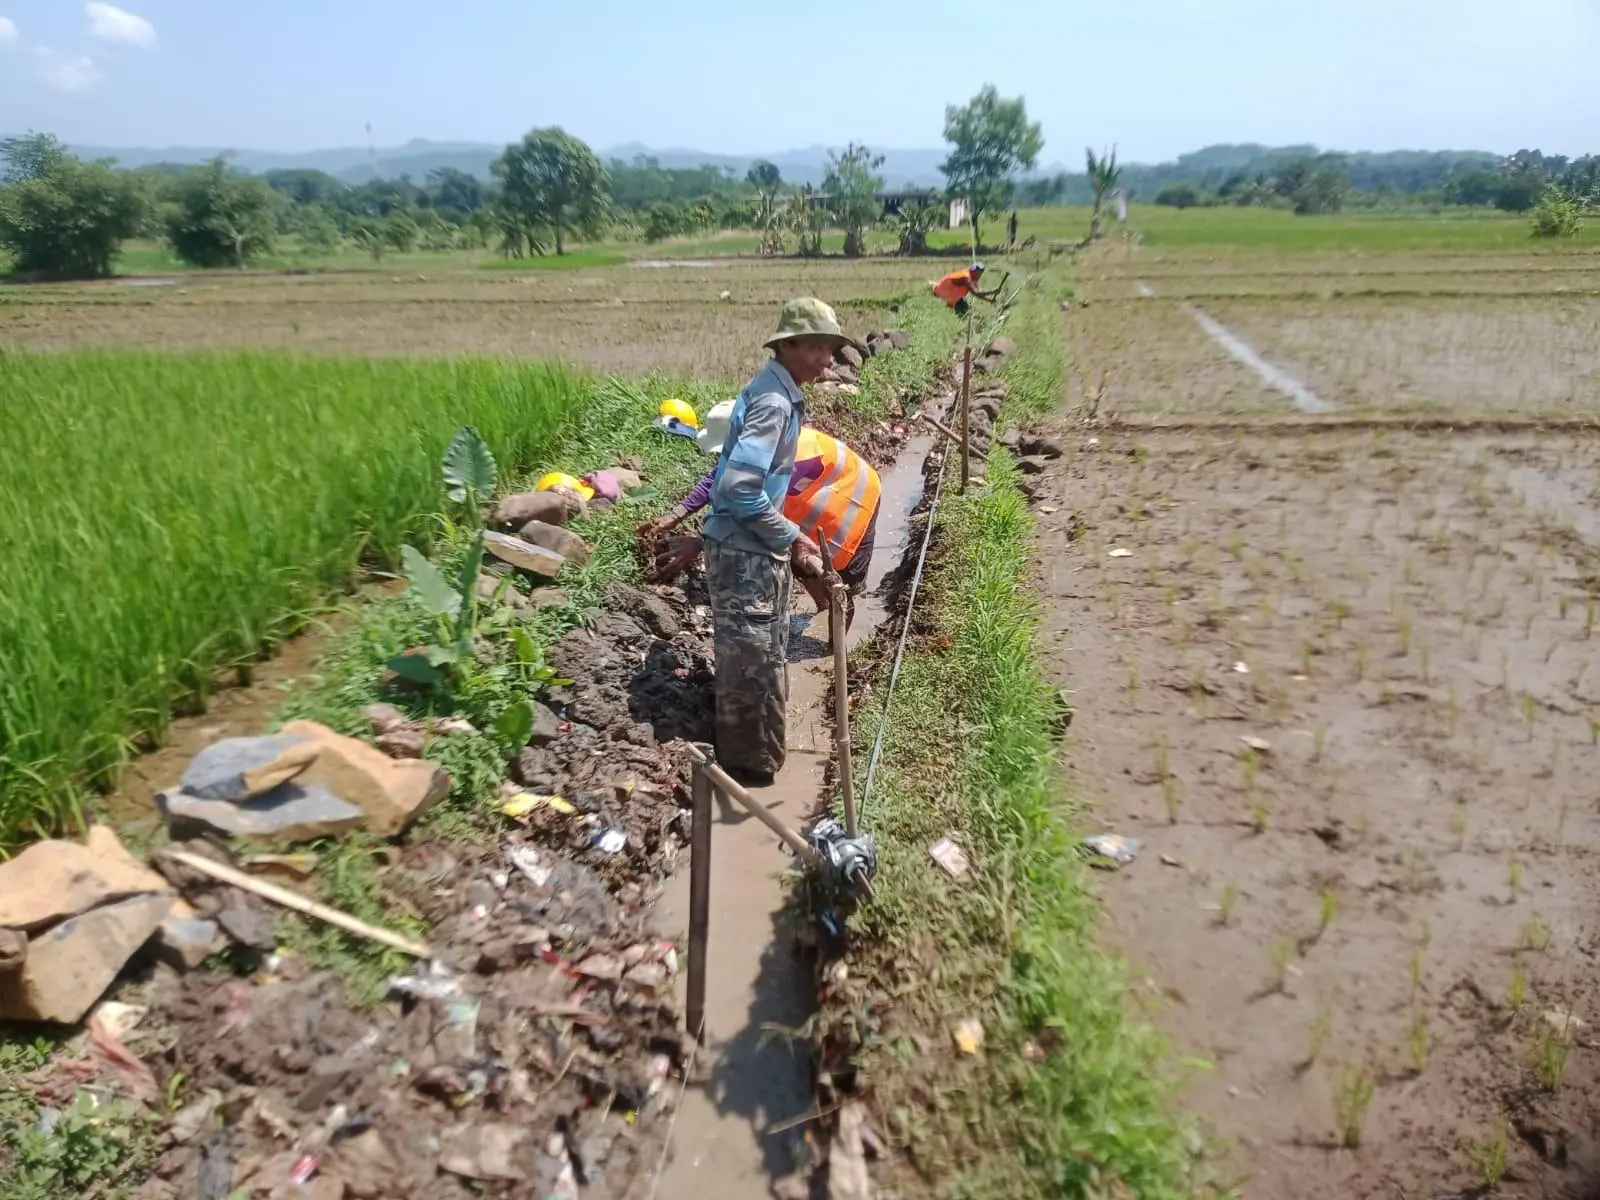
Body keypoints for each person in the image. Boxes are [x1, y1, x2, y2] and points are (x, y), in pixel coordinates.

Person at [693, 297, 861, 783]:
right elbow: (738, 489)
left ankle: (759, 756)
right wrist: (794, 537)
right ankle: (750, 772)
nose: (825, 360)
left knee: (763, 650)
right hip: (745, 552)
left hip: (752, 546)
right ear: (786, 345)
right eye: (815, 347)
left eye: (830, 349)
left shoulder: (777, 392)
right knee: (753, 664)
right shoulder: (772, 402)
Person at [639, 403, 882, 622]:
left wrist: (700, 543)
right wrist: (679, 512)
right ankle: (822, 607)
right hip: (811, 499)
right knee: (799, 556)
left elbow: (753, 516)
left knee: (840, 582)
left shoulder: (788, 459)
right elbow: (719, 476)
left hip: (854, 500)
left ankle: (832, 649)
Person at [931, 261, 1000, 317]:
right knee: (965, 312)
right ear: (972, 270)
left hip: (951, 296)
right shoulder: (966, 277)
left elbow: (976, 294)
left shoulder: (972, 278)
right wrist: (992, 292)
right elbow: (976, 292)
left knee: (964, 310)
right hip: (940, 292)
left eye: (980, 273)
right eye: (977, 273)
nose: (979, 275)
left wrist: (990, 300)